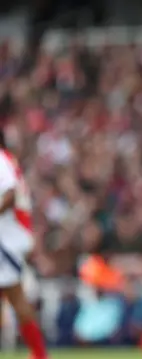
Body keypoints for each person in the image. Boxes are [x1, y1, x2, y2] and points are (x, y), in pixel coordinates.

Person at [0, 130, 48, 359]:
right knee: (13, 295)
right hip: (9, 237)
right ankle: (38, 353)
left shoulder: (0, 158)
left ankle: (39, 353)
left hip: (5, 239)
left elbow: (9, 194)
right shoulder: (6, 158)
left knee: (16, 296)